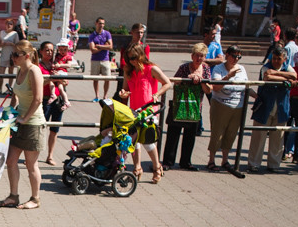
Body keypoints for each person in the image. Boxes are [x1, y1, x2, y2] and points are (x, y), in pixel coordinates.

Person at [0, 40, 44, 210]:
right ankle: (13, 196)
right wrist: (9, 112)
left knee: (31, 164)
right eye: (12, 54)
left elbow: (38, 99)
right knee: (11, 161)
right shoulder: (20, 71)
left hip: (33, 124)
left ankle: (35, 199)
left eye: (16, 54)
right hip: (19, 121)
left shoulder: (34, 71)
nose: (13, 58)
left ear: (27, 55)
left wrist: (25, 118)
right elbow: (16, 95)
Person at [119, 44, 171, 183]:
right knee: (133, 141)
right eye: (129, 59)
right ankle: (137, 168)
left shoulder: (151, 69)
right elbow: (125, 89)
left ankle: (156, 167)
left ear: (141, 55)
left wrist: (157, 94)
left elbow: (167, 83)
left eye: (134, 58)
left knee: (148, 141)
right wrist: (124, 94)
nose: (132, 61)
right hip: (134, 111)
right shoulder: (128, 71)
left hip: (148, 111)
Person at [246, 46, 297, 173]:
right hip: (264, 107)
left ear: (284, 59)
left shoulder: (288, 67)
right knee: (258, 137)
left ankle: (274, 164)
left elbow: (295, 75)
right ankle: (254, 163)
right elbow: (268, 76)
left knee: (277, 138)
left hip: (281, 109)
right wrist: (287, 79)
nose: (275, 61)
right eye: (273, 58)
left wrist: (278, 74)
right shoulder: (266, 67)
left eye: (278, 59)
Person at [163, 43, 211, 171]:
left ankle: (186, 162)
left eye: (202, 56)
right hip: (180, 105)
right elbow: (175, 81)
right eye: (197, 55)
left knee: (190, 136)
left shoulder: (206, 69)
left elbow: (208, 90)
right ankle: (167, 161)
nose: (199, 59)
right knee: (173, 135)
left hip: (195, 107)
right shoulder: (184, 67)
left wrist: (202, 81)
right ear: (192, 55)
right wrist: (187, 78)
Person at [207, 45, 248, 171]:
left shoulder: (241, 69)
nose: (236, 59)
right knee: (217, 133)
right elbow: (216, 87)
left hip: (238, 106)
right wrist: (228, 77)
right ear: (227, 55)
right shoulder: (219, 68)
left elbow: (246, 86)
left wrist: (256, 96)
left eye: (239, 56)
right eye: (234, 56)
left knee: (231, 133)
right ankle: (211, 160)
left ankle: (225, 160)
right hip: (220, 104)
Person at [88, 17, 114, 101]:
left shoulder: (107, 34)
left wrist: (99, 46)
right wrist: (104, 47)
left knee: (108, 78)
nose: (101, 25)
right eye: (100, 23)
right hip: (95, 60)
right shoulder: (92, 36)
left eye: (103, 23)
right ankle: (97, 96)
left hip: (105, 59)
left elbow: (110, 46)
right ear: (96, 24)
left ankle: (105, 96)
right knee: (96, 79)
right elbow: (93, 50)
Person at [0, 19, 18, 92]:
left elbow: (18, 46)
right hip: (3, 55)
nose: (9, 25)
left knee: (10, 72)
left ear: (13, 26)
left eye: (11, 24)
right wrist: (1, 44)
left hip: (11, 56)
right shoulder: (2, 32)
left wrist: (11, 44)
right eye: (8, 24)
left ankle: (9, 89)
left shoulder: (15, 34)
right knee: (1, 73)